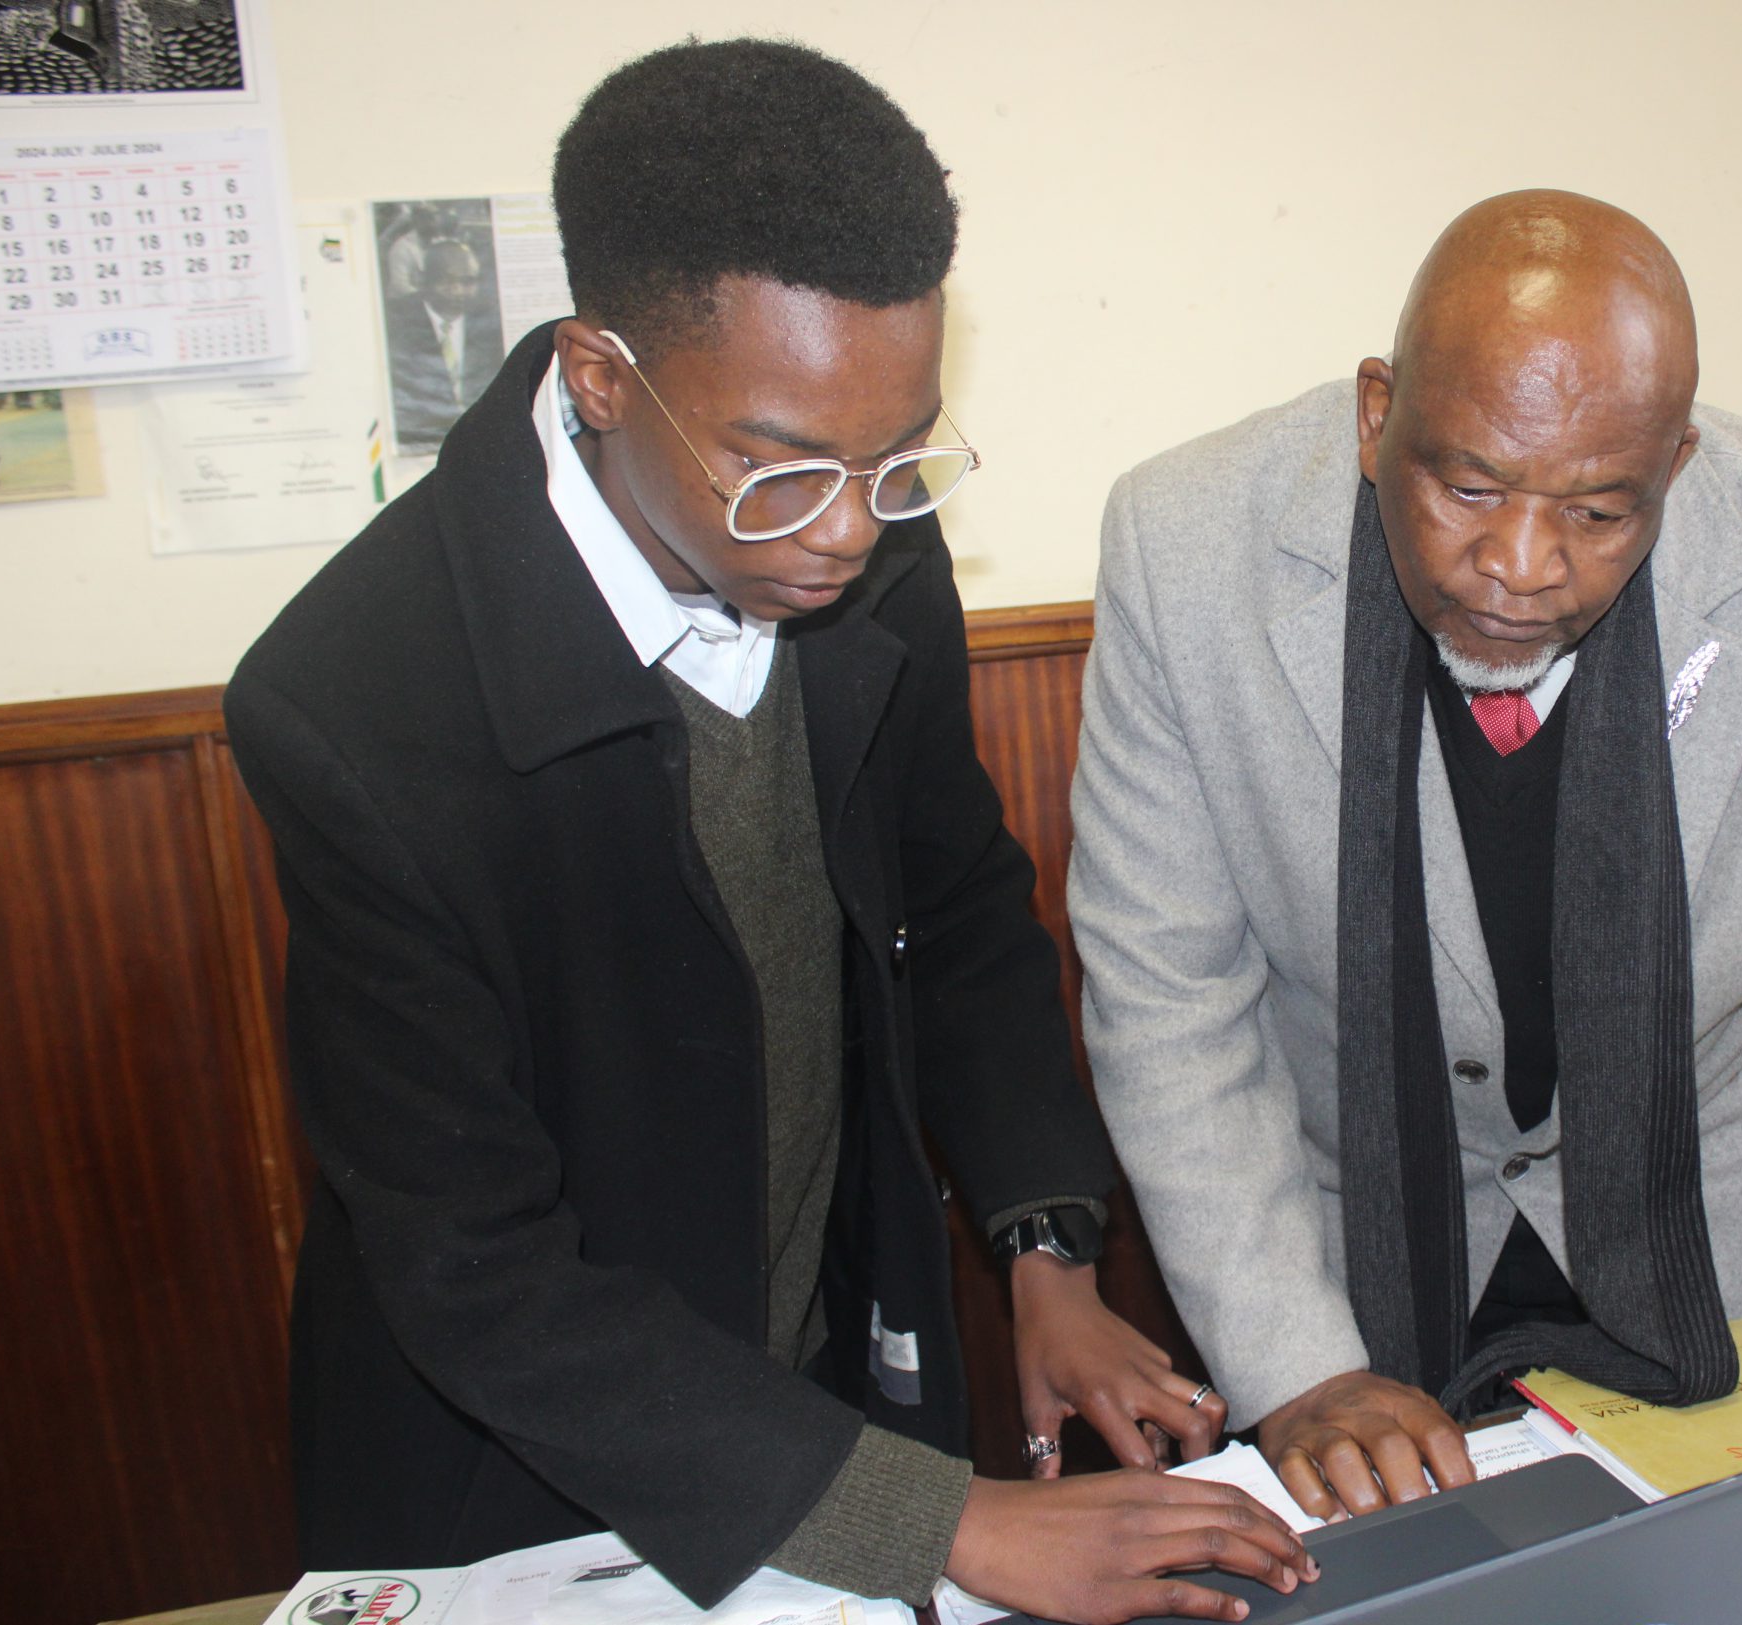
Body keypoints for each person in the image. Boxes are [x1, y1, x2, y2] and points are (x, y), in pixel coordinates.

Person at [227, 39, 1316, 1625]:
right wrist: (947, 1521)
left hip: (829, 1371)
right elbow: (481, 1273)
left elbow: (951, 909)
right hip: (520, 1475)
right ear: (603, 379)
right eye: (780, 469)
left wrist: (1044, 1245)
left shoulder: (861, 525)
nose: (846, 529)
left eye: (895, 455)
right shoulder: (354, 707)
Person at [1068, 190, 1742, 1624]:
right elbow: (1169, 1002)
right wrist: (1300, 1365)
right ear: (1373, 415)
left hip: (1722, 1239)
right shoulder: (1186, 546)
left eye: (1600, 511)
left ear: (1678, 464)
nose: (1522, 567)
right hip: (1346, 1250)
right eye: (1464, 488)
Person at [383, 236, 506, 450]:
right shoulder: (395, 324)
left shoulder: (492, 324)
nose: (457, 290)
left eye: (467, 282)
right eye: (446, 280)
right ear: (422, 279)